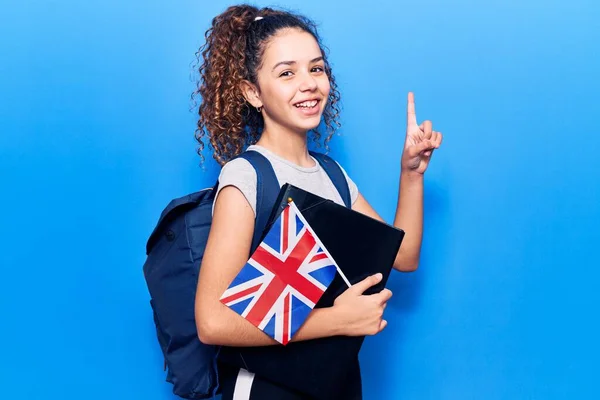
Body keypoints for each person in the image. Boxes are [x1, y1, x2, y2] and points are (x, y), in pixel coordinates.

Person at [193, 4, 443, 399]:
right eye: (287, 73)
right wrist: (337, 320)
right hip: (266, 387)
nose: (308, 83)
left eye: (316, 68)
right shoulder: (248, 176)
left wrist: (411, 174)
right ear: (252, 92)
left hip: (333, 382)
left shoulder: (332, 176)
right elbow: (212, 321)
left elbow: (404, 256)